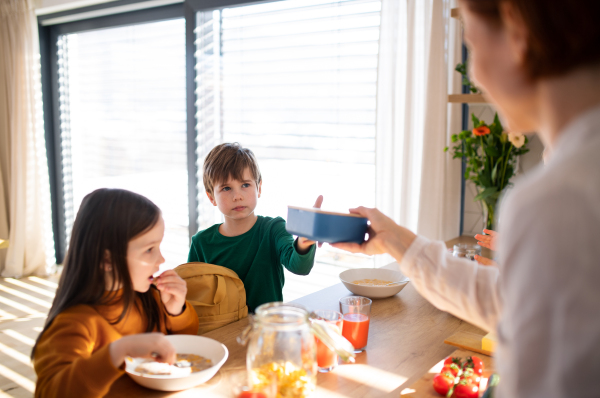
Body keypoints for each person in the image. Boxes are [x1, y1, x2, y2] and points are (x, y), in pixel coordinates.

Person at [333, 0, 600, 397]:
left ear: (516, 29)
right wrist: (396, 240)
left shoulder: (558, 199)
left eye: (472, 45)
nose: (474, 75)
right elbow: (514, 302)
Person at [32, 189, 199, 398]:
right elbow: (50, 393)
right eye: (149, 249)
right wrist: (118, 352)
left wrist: (176, 311)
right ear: (108, 260)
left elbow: (183, 351)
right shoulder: (74, 324)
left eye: (159, 246)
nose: (161, 259)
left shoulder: (151, 298)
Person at [188, 143, 321, 313]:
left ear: (259, 188)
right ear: (211, 197)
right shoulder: (201, 243)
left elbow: (300, 266)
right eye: (226, 188)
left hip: (268, 329)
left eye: (245, 185)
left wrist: (304, 240)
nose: (237, 196)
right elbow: (193, 296)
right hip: (220, 331)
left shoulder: (273, 229)